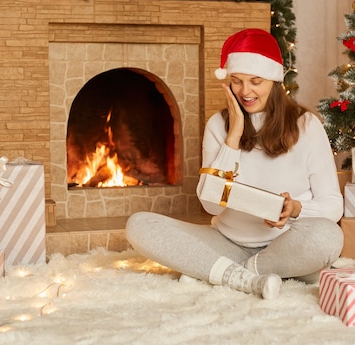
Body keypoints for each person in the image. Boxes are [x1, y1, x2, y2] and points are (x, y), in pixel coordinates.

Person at [126, 28, 343, 300]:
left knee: (328, 237)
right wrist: (233, 138)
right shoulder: (219, 126)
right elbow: (210, 205)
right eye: (237, 81)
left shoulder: (306, 126)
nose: (245, 91)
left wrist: (295, 209)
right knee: (139, 225)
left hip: (287, 244)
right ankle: (246, 276)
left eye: (255, 81)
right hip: (227, 243)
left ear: (274, 81)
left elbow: (333, 205)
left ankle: (240, 272)